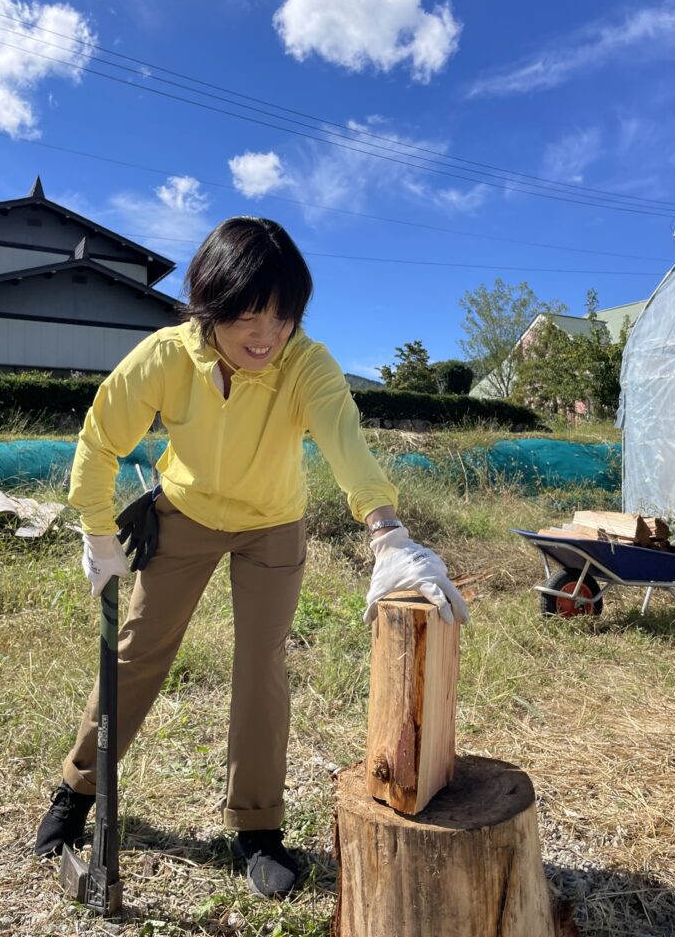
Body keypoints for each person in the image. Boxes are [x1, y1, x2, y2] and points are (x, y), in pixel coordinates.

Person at [34, 216, 469, 898]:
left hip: (273, 524)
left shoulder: (307, 365)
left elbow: (345, 442)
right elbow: (100, 437)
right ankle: (78, 790)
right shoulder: (165, 357)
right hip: (186, 514)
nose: (266, 335)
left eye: (282, 316)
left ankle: (258, 827)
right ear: (208, 308)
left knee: (260, 665)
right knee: (138, 652)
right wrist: (95, 529)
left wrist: (387, 532)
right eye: (246, 316)